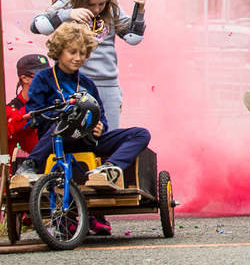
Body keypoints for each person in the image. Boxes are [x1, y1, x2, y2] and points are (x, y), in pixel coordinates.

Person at [14, 23, 152, 236]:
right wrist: (64, 117)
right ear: (59, 51)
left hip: (88, 140)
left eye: (82, 53)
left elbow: (102, 117)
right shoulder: (43, 79)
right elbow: (35, 114)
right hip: (57, 139)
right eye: (72, 52)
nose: (78, 57)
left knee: (141, 133)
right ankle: (29, 166)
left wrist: (100, 127)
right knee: (60, 126)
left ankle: (107, 169)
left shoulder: (87, 82)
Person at [31, 0, 146, 130]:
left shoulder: (112, 6)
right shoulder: (67, 4)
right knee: (76, 137)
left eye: (101, 4)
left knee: (108, 136)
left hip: (108, 85)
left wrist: (139, 10)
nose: (96, 9)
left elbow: (133, 37)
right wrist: (67, 14)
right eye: (91, 5)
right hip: (76, 84)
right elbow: (37, 26)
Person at [6, 54, 49, 156]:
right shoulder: (10, 110)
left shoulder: (55, 101)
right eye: (41, 75)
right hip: (24, 168)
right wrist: (35, 106)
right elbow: (13, 130)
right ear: (25, 78)